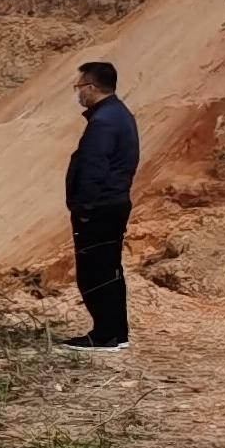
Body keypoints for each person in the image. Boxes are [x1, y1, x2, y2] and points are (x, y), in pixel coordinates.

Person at [62, 60, 139, 352]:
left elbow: (94, 168)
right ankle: (117, 332)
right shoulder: (119, 114)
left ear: (91, 88)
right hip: (113, 203)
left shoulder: (104, 121)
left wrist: (83, 208)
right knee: (109, 269)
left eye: (79, 87)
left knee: (95, 272)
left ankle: (105, 334)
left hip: (100, 208)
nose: (78, 93)